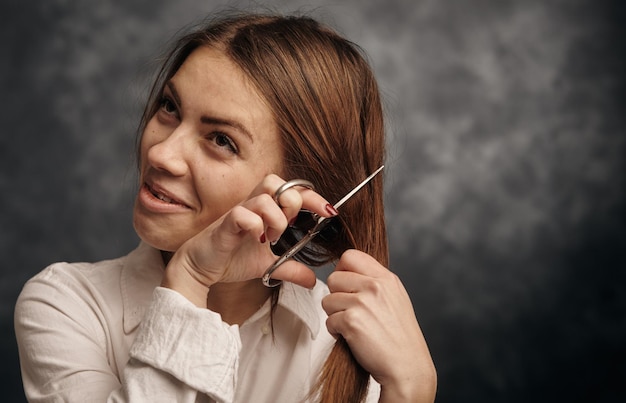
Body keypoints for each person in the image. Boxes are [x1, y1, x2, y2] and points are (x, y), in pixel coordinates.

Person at [14, 12, 436, 403]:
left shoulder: (349, 341)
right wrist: (190, 279)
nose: (161, 153)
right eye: (169, 107)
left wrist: (411, 389)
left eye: (221, 140)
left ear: (299, 191)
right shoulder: (64, 304)